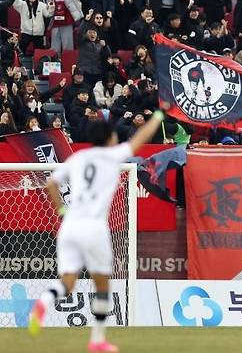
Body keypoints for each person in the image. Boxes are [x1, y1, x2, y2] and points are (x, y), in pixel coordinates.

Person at [29, 107, 167, 351]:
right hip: (93, 226)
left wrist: (61, 211)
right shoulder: (112, 156)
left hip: (70, 225)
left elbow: (51, 182)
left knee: (67, 283)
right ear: (111, 139)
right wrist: (157, 116)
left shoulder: (77, 158)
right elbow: (140, 138)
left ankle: (43, 301)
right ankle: (97, 340)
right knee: (102, 285)